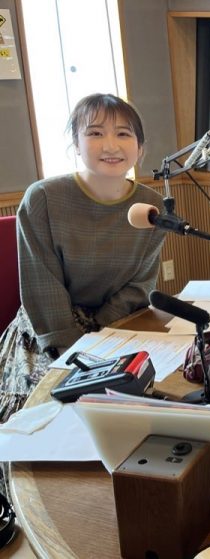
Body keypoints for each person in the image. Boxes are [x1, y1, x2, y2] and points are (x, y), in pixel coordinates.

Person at [0, 93, 166, 424]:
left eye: (123, 133)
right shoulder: (43, 199)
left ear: (140, 148)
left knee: (150, 401)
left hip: (114, 325)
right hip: (48, 331)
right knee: (48, 414)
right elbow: (42, 287)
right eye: (95, 133)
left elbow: (141, 285)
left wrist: (101, 337)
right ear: (76, 144)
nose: (111, 145)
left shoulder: (151, 206)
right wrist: (77, 352)